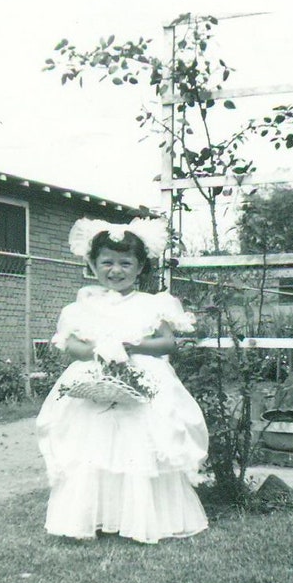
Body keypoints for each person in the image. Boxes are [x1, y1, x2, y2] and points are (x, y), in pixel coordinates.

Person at [36, 216, 209, 544]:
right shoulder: (81, 305)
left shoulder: (154, 304)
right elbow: (70, 344)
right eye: (107, 263)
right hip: (94, 378)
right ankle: (94, 517)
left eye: (125, 263)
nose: (115, 270)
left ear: (141, 266)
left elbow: (168, 343)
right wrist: (96, 350)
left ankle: (145, 518)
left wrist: (133, 345)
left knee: (140, 444)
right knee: (93, 444)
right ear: (92, 264)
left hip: (143, 378)